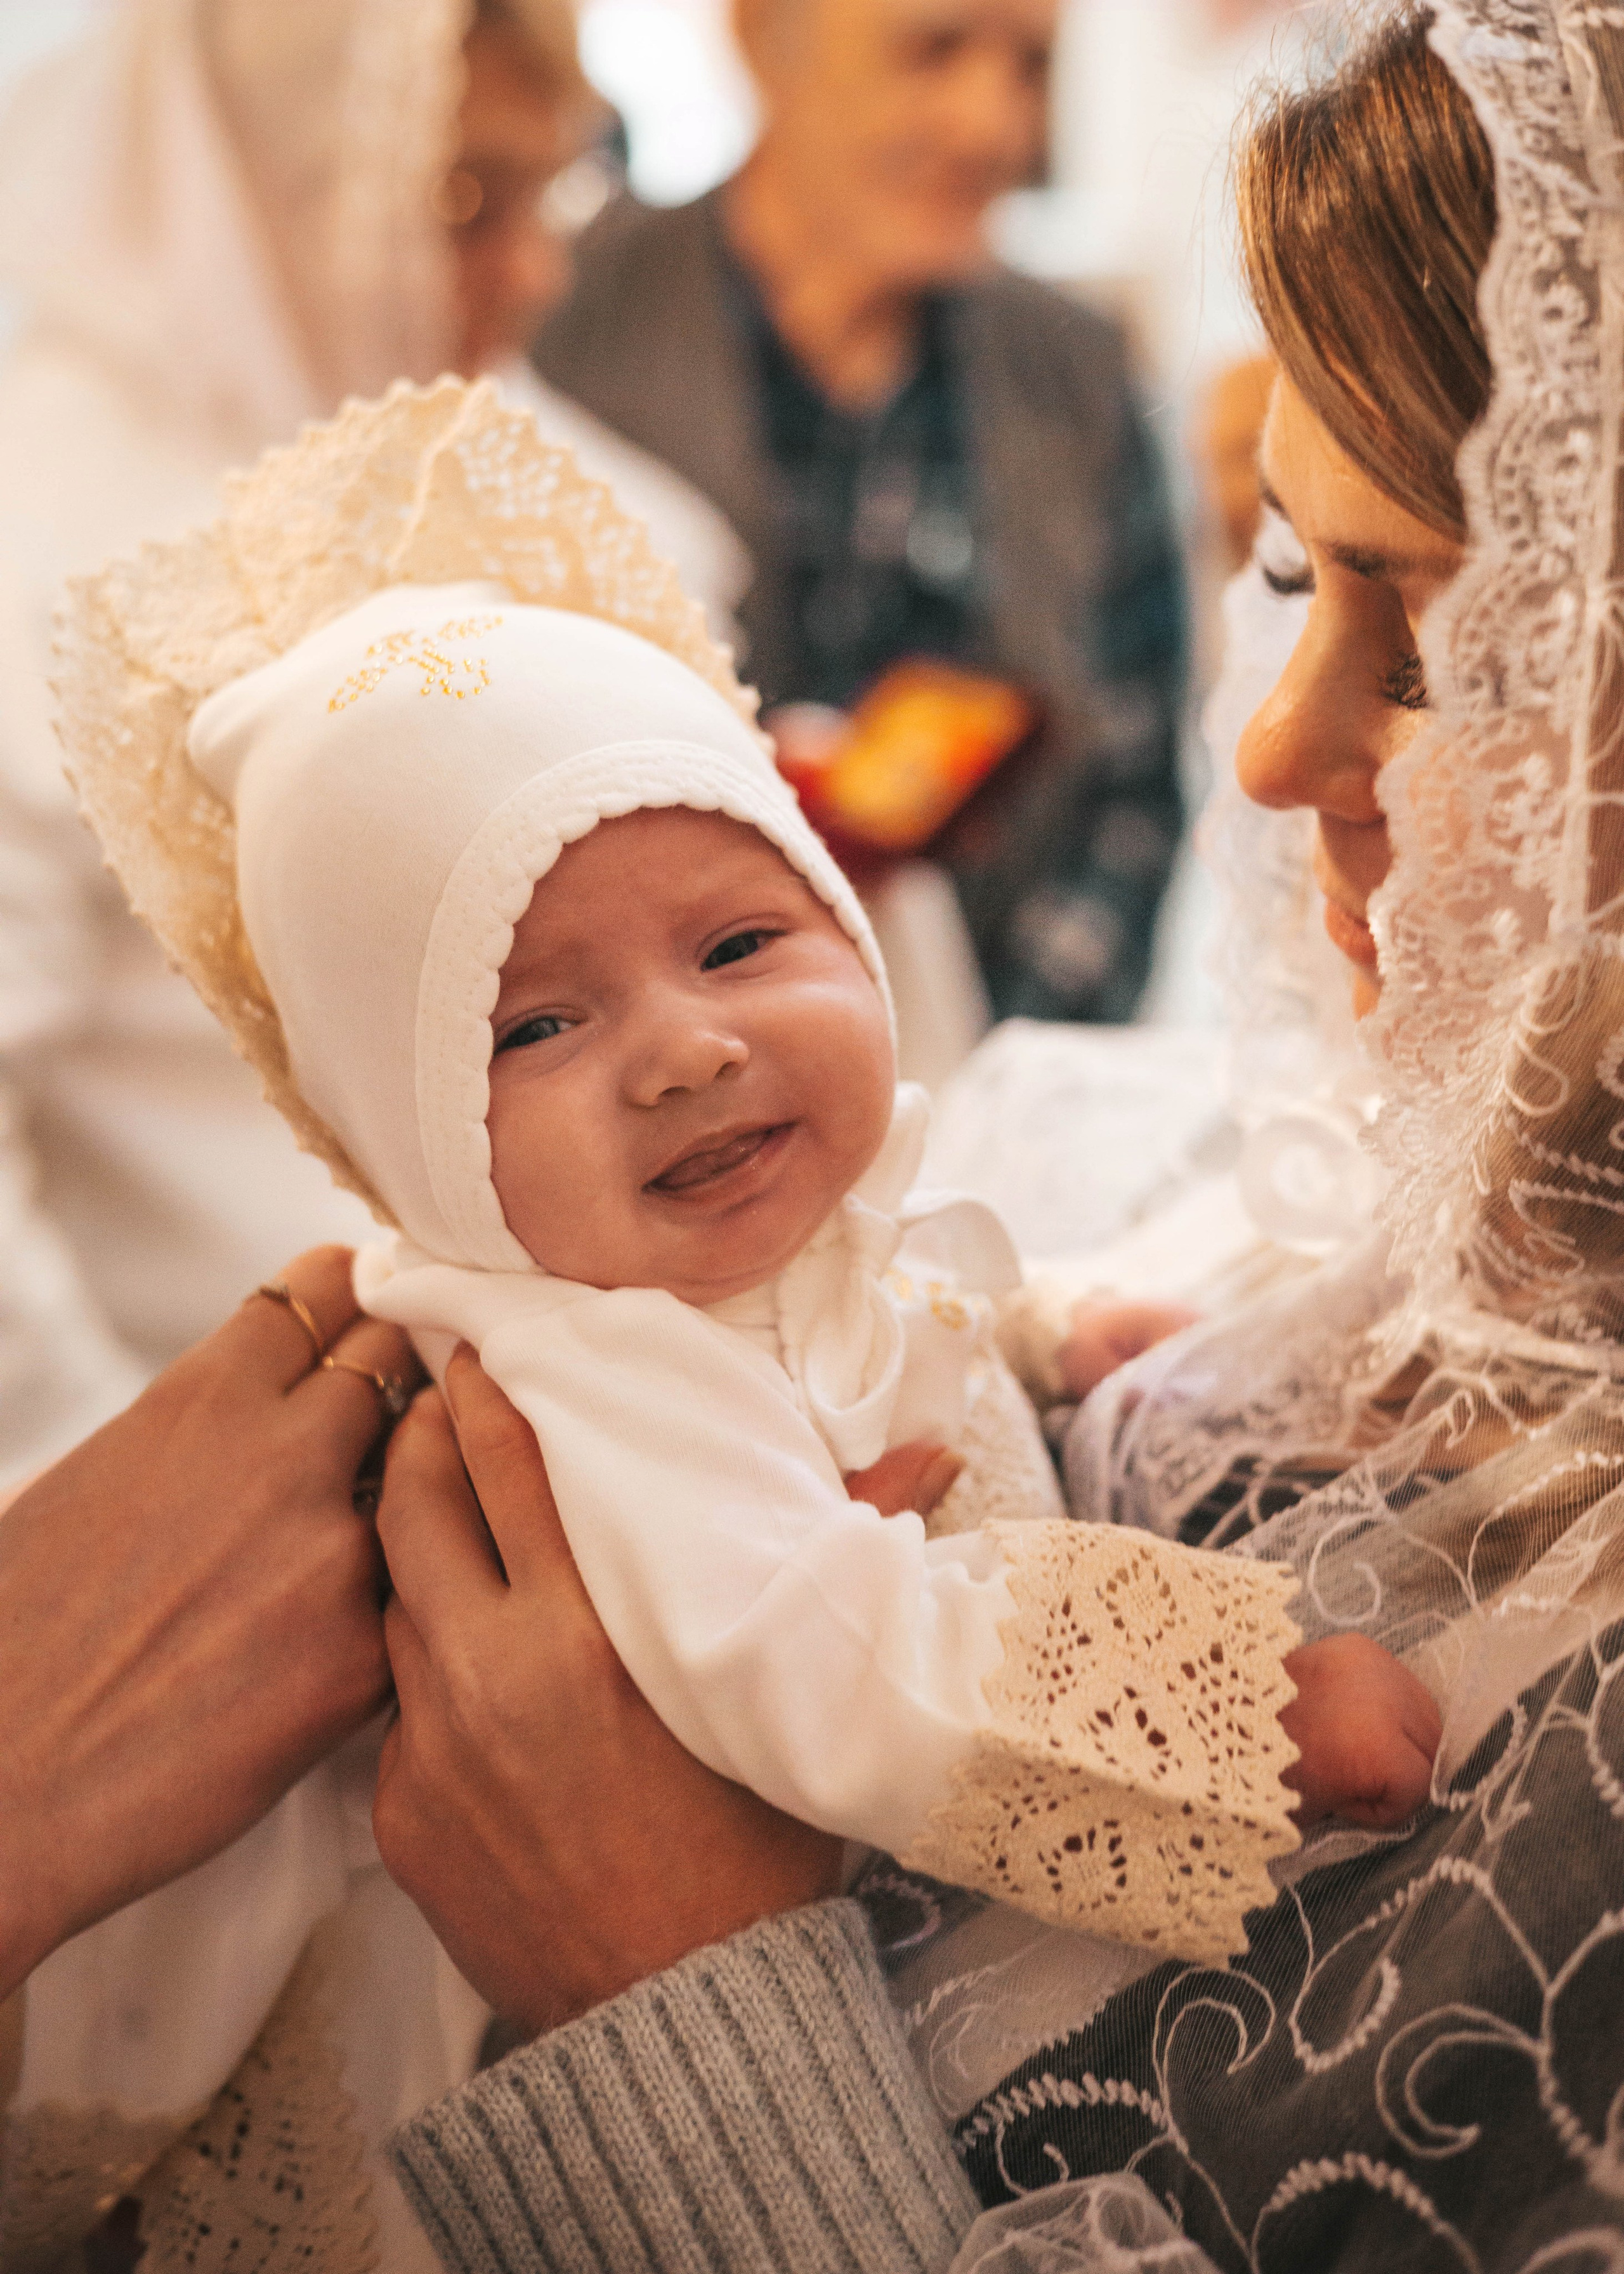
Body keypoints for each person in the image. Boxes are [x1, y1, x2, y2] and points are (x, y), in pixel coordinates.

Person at [359, 4, 1624, 2266]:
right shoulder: (1316, 1206)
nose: (1277, 749)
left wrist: (667, 1986)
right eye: (1291, 576)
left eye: (1441, 640)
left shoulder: (1045, 370)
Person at [0, 0, 743, 1488]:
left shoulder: (524, 474)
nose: (534, 272)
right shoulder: (46, 530)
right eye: (466, 201)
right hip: (250, 1466)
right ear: (268, 182)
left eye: (550, 191)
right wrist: (114, 1499)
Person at [532, 0, 1188, 1035]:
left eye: (1030, 67)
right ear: (760, 39)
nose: (993, 124)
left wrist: (1008, 1067)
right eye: (932, 49)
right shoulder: (563, 322)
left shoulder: (1079, 373)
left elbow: (1132, 791)